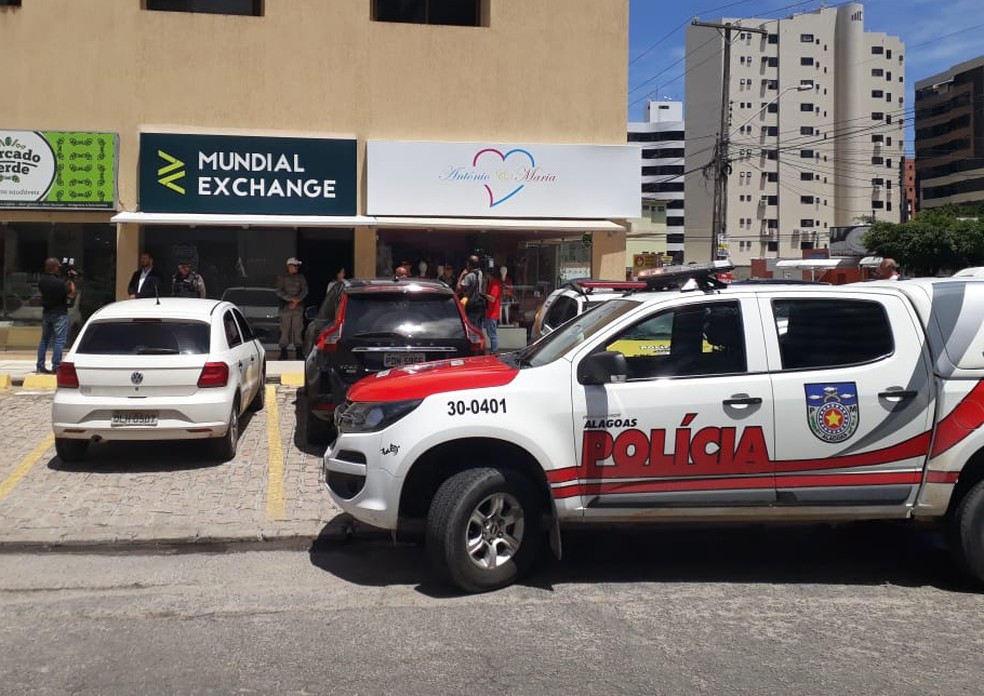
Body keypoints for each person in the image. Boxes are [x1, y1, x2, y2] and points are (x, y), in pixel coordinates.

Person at [36, 257, 77, 375]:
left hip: (47, 312)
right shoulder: (59, 283)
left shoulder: (42, 281)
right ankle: (56, 366)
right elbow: (72, 294)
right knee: (59, 341)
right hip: (59, 313)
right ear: (54, 268)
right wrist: (71, 279)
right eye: (58, 267)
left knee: (44, 340)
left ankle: (40, 365)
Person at [275, 257, 308, 361]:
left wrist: (297, 300)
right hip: (285, 308)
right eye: (295, 266)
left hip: (297, 308)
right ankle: (283, 352)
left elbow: (305, 290)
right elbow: (279, 291)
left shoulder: (301, 277)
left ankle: (299, 352)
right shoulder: (282, 277)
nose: (297, 268)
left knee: (298, 329)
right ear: (289, 266)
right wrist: (291, 299)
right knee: (284, 330)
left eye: (297, 266)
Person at [457, 254, 488, 328]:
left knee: (471, 327)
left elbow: (458, 289)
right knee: (478, 327)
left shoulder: (469, 276)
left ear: (469, 264)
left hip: (472, 305)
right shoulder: (480, 273)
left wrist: (462, 275)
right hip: (480, 303)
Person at [484, 272, 503, 354]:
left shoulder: (495, 285)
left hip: (492, 313)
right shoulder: (490, 283)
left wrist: (484, 295)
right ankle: (493, 350)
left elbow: (493, 299)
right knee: (490, 333)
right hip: (489, 312)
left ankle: (494, 351)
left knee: (492, 334)